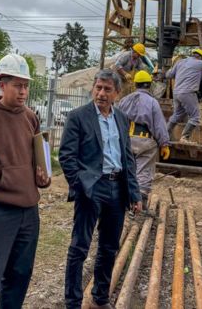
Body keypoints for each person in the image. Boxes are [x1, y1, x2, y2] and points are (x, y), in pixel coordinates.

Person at [0, 54, 51, 309]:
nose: (24, 91)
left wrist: (44, 178)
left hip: (28, 211)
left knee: (19, 277)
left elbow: (42, 159)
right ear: (1, 83)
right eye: (18, 85)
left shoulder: (30, 117)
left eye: (26, 85)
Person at [60, 69, 142, 309]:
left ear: (117, 93)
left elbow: (128, 159)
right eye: (98, 88)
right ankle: (73, 302)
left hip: (117, 189)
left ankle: (100, 297)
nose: (101, 93)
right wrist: (81, 186)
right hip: (91, 189)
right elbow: (66, 156)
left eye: (107, 89)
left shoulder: (121, 118)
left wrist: (134, 193)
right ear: (92, 89)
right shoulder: (78, 117)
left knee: (109, 247)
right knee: (80, 247)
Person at [116, 70, 170, 211]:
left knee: (126, 169)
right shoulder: (152, 102)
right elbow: (159, 125)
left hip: (126, 140)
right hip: (146, 141)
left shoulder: (124, 100)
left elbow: (116, 119)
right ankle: (141, 202)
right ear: (149, 85)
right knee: (144, 171)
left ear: (135, 84)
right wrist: (164, 143)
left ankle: (123, 200)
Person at [164, 49, 202, 143]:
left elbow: (169, 75)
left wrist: (166, 72)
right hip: (188, 93)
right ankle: (184, 138)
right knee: (195, 117)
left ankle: (165, 135)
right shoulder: (199, 63)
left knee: (177, 115)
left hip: (176, 93)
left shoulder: (180, 62)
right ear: (200, 57)